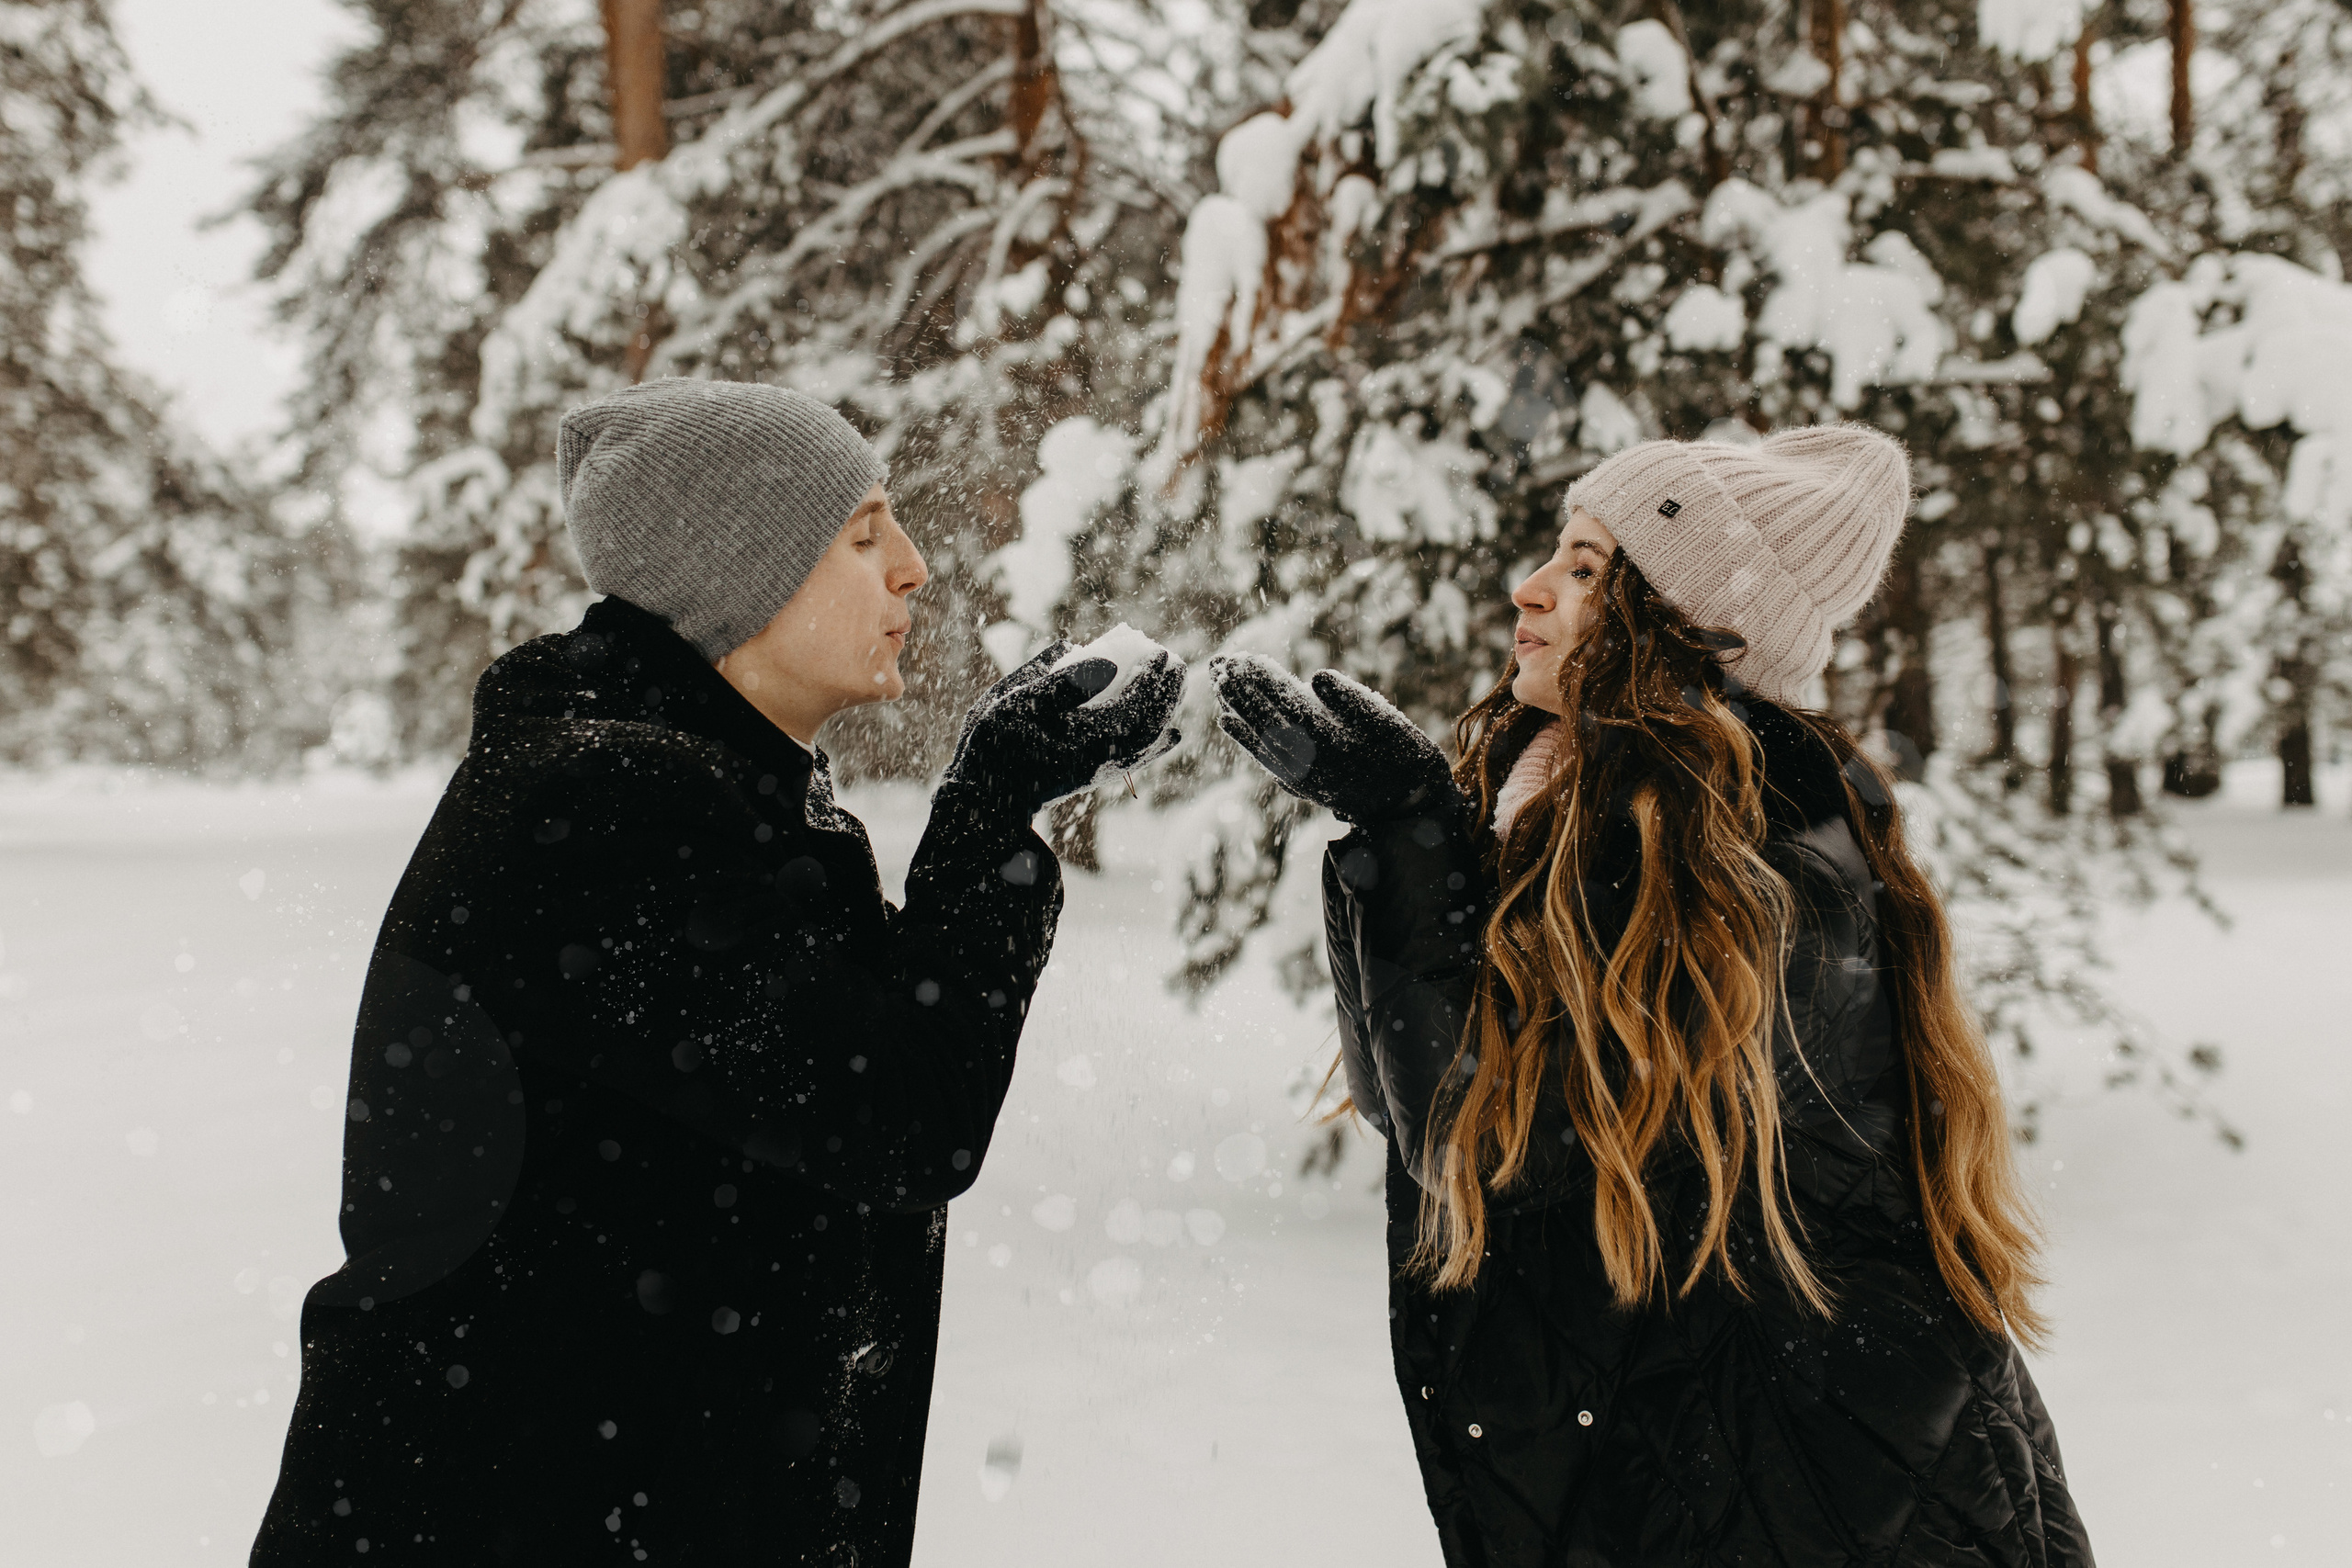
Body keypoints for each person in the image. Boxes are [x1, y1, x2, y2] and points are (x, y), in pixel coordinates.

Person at [251, 379, 1182, 1566]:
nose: (913, 566)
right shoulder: (605, 809)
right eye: (862, 534)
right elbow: (900, 1112)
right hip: (509, 1515)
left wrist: (997, 802)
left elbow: (856, 1069)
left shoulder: (710, 791)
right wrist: (990, 804)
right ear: (740, 576)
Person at [1212, 426, 2094, 1567]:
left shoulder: (1742, 854)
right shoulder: (1604, 820)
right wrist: (1397, 848)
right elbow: (1420, 1109)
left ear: (1679, 630)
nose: (1528, 587)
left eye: (1586, 569)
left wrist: (1409, 836)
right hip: (1743, 1466)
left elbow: (1496, 1145)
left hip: (1823, 1490)